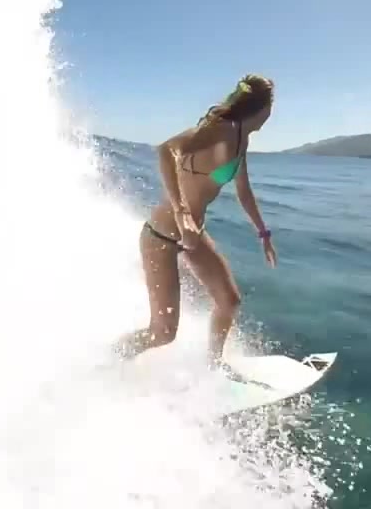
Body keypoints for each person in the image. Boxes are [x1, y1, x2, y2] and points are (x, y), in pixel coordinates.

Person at [113, 74, 278, 373]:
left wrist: (263, 232)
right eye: (271, 107)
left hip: (193, 235)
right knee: (163, 333)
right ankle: (110, 359)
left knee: (229, 302)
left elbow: (243, 190)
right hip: (162, 235)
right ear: (261, 108)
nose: (271, 114)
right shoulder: (219, 130)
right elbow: (166, 150)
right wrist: (181, 212)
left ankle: (212, 366)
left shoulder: (242, 138)